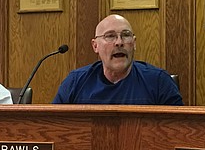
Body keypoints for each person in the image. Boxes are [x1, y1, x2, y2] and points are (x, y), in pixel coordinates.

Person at [53, 14, 182, 105]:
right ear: (95, 46)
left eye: (126, 35)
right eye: (110, 36)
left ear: (134, 43)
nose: (119, 42)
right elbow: (53, 126)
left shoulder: (159, 82)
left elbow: (179, 132)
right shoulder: (75, 82)